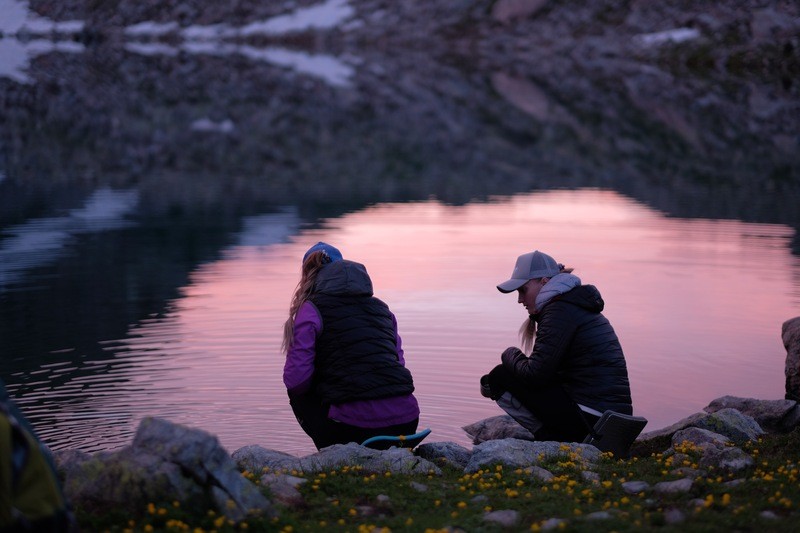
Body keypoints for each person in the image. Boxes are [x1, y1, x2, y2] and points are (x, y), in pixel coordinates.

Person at [480, 250, 632, 443]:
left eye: (522, 290)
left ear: (544, 282)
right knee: (518, 375)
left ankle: (549, 438)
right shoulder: (571, 304)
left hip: (594, 424)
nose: (520, 299)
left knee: (500, 376)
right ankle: (552, 437)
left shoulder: (559, 311)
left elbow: (534, 375)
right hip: (611, 420)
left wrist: (509, 353)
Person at [282, 242, 420, 450]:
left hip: (352, 428)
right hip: (407, 422)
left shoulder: (311, 309)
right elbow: (397, 363)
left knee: (298, 390)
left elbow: (296, 381)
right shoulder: (382, 310)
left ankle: (333, 454)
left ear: (308, 275)